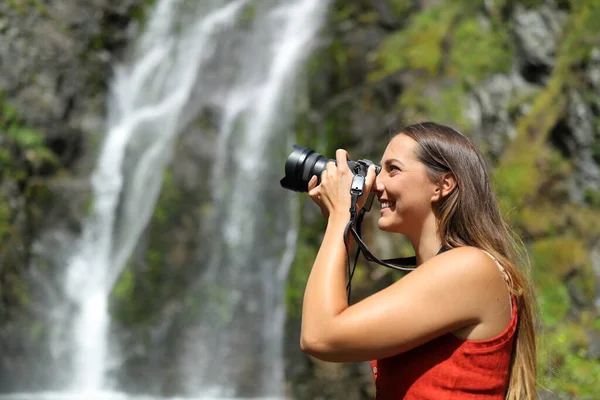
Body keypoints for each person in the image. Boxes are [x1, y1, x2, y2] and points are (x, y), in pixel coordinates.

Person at [300, 122, 537, 399]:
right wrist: (344, 222)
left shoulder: (470, 268)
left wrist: (343, 213)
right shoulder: (445, 273)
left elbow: (320, 335)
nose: (375, 184)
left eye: (393, 169)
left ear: (442, 185)